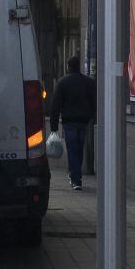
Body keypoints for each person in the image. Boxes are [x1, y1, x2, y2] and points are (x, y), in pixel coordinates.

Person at [49, 55, 96, 190]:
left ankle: (75, 179)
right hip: (83, 122)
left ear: (68, 67)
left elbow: (55, 105)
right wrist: (91, 116)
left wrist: (53, 127)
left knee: (72, 149)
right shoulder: (88, 82)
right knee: (79, 148)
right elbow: (93, 102)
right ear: (79, 66)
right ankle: (76, 176)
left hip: (69, 122)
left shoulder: (63, 83)